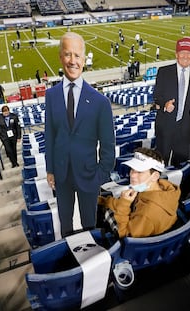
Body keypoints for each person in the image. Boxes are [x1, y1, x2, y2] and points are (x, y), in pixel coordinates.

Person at [44, 32, 115, 237]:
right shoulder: (51, 95)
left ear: (84, 60)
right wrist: (50, 169)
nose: (72, 61)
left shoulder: (100, 101)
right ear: (60, 57)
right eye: (68, 55)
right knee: (65, 221)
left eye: (77, 56)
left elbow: (108, 145)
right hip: (61, 174)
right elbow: (50, 134)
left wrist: (100, 176)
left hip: (89, 174)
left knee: (89, 223)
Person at [98, 148, 180, 238]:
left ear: (155, 176)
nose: (132, 175)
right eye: (132, 169)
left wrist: (124, 203)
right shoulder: (162, 189)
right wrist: (103, 200)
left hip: (135, 240)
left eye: (140, 172)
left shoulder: (146, 215)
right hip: (142, 225)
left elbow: (126, 236)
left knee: (105, 211)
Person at [153, 37, 190, 167]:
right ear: (176, 54)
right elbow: (156, 95)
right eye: (182, 53)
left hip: (186, 128)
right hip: (165, 126)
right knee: (161, 161)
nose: (185, 56)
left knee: (181, 164)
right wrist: (165, 104)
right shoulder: (164, 72)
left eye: (189, 53)